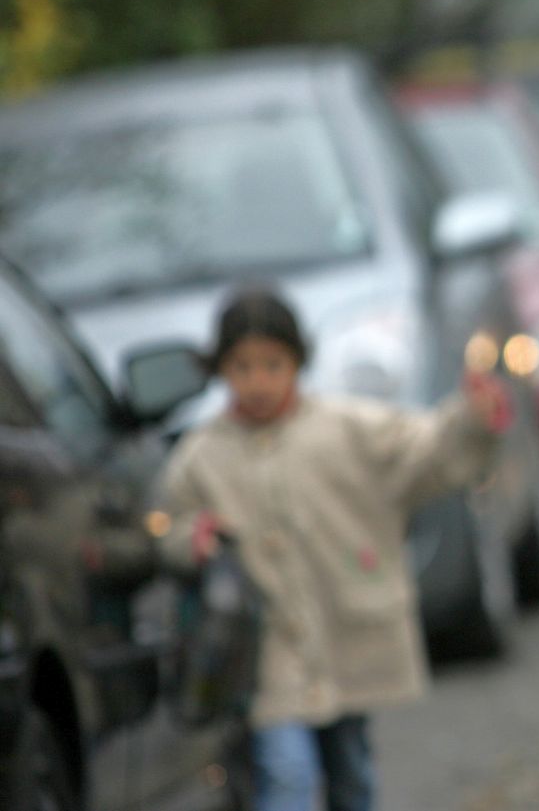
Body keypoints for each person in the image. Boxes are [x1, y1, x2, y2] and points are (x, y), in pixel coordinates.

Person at [157, 287, 512, 811]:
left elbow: (424, 450)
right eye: (242, 367)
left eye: (272, 365)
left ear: (297, 361)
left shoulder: (347, 427)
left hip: (345, 632)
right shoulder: (201, 455)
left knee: (351, 772)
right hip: (263, 652)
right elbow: (167, 525)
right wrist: (193, 539)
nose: (257, 382)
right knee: (286, 774)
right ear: (220, 370)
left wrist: (469, 419)